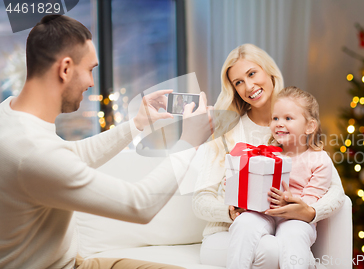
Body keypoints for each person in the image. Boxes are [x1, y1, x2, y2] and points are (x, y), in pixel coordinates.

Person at [0, 15, 212, 269]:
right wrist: (189, 142)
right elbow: (139, 205)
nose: (91, 83)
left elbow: (71, 154)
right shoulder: (32, 153)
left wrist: (137, 123)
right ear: (65, 69)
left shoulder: (10, 114)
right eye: (90, 70)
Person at [191, 44, 345, 268]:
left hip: (279, 226)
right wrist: (231, 211)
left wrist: (310, 211)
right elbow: (199, 200)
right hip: (227, 232)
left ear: (269, 72)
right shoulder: (226, 130)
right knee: (271, 249)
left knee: (276, 246)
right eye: (238, 82)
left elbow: (336, 190)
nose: (249, 86)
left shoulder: (294, 127)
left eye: (252, 73)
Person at [226, 86, 334, 269]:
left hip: (296, 218)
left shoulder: (319, 159)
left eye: (288, 118)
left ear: (310, 126)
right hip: (264, 213)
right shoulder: (266, 154)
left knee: (293, 234)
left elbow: (310, 202)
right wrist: (239, 199)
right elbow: (249, 184)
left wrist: (292, 205)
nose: (279, 123)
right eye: (275, 118)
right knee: (243, 223)